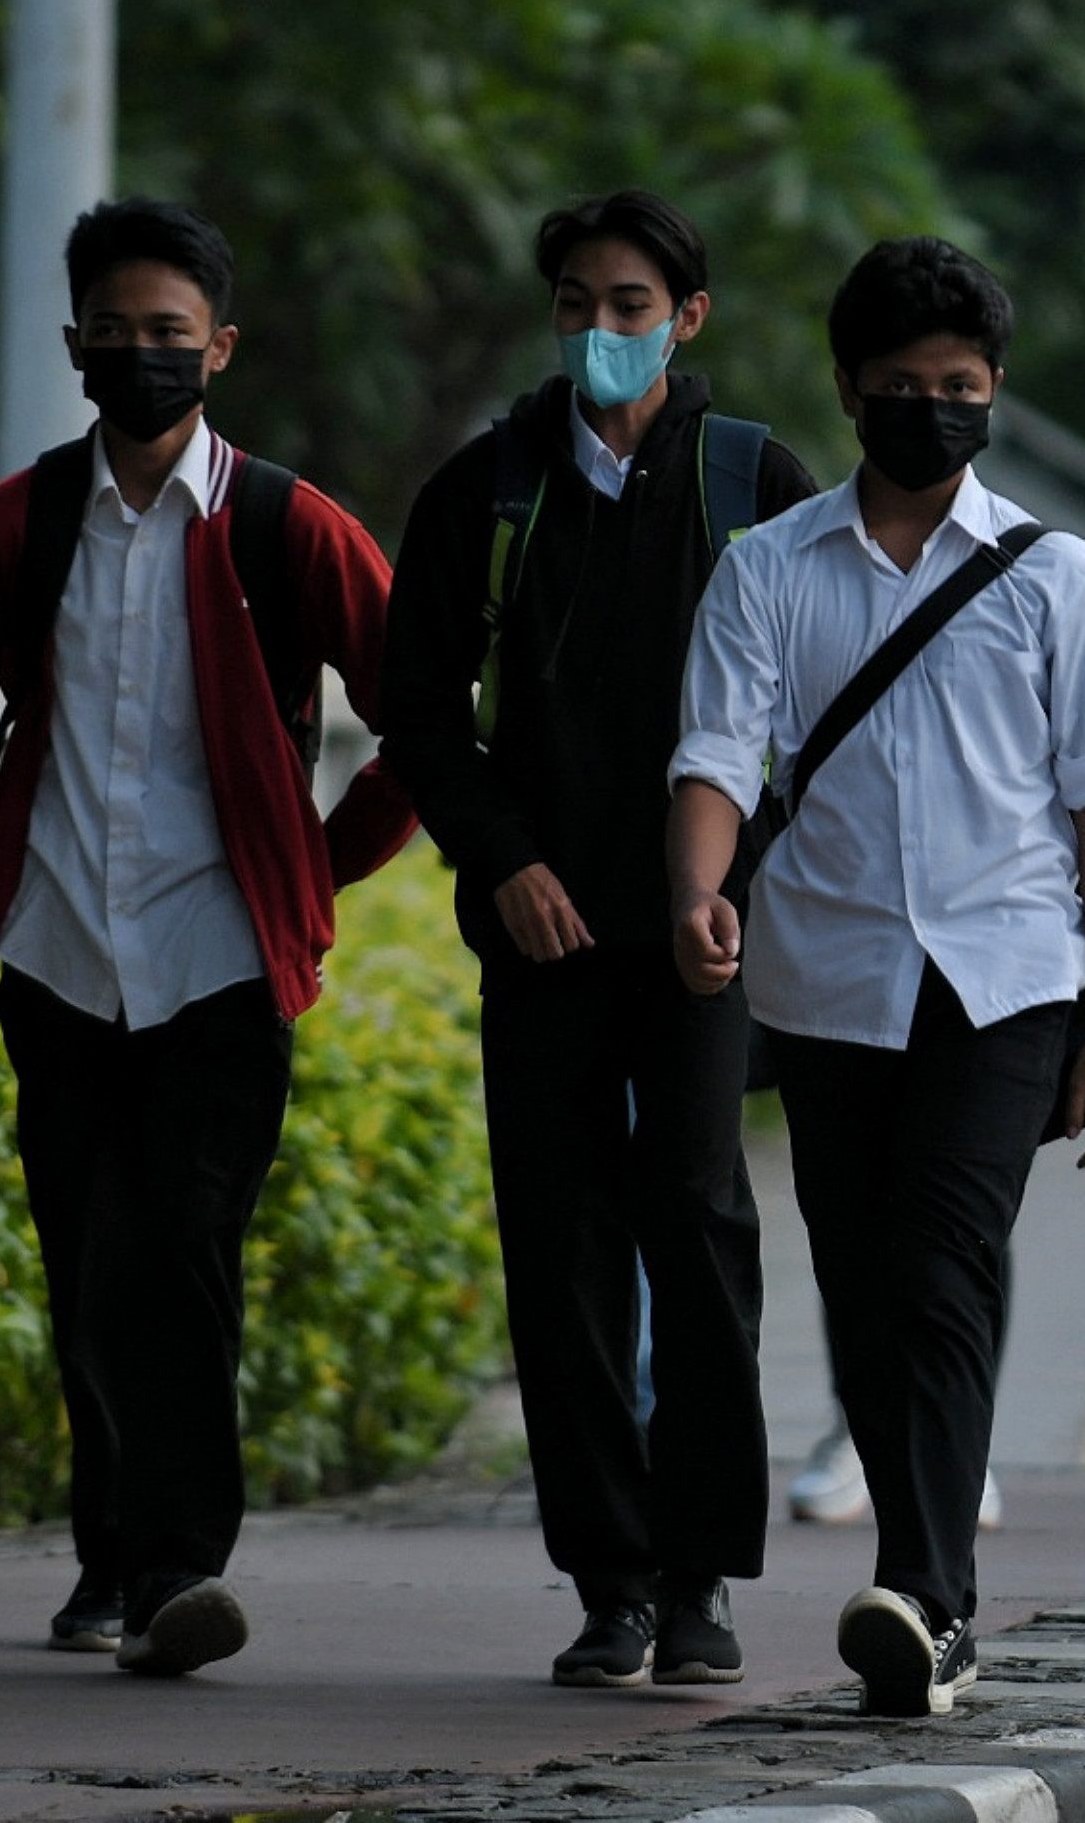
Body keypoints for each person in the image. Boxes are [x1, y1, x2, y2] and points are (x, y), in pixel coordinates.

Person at [0, 197, 414, 1675]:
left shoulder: (291, 526)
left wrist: (318, 867)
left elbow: (422, 723)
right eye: (113, 335)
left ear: (218, 349)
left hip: (222, 961)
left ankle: (178, 1574)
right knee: (87, 1263)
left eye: (168, 334)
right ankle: (108, 1560)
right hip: (57, 955)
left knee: (183, 1258)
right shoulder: (11, 526)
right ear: (73, 349)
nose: (139, 356)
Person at [668, 236, 1085, 1718]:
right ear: (849, 389)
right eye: (902, 387)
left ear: (995, 392)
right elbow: (713, 753)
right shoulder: (767, 570)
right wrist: (697, 888)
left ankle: (927, 1598)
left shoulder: (1058, 577)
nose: (932, 410)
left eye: (960, 387)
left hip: (1004, 983)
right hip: (825, 985)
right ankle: (918, 1573)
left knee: (947, 1271)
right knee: (865, 1289)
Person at [380, 190, 816, 1689]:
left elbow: (820, 711)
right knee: (560, 1248)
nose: (601, 331)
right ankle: (609, 1581)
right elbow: (419, 710)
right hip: (543, 935)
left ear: (687, 318)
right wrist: (500, 862)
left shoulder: (757, 483)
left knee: (698, 1228)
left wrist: (741, 881)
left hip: (706, 935)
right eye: (576, 303)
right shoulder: (485, 491)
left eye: (631, 304)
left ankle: (700, 1580)